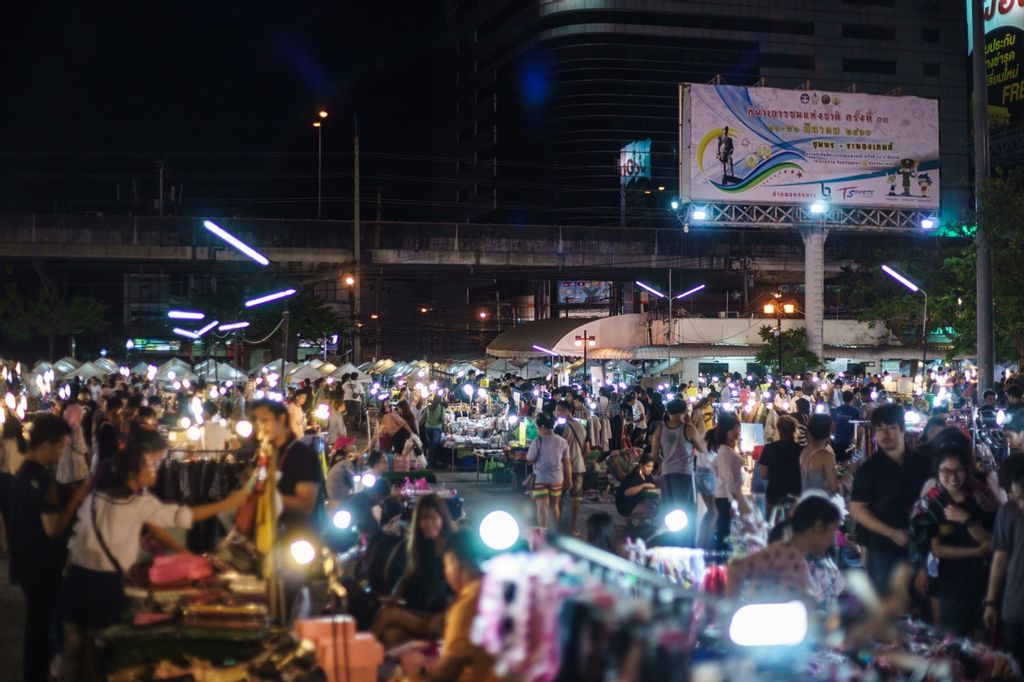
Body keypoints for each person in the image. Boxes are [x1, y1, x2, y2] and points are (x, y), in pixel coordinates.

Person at [58, 432, 248, 681]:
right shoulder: (137, 504)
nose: (157, 469)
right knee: (99, 652)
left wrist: (186, 554)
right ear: (137, 470)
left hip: (74, 579)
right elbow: (183, 517)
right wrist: (228, 503)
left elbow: (157, 528)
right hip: (104, 586)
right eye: (153, 464)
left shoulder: (99, 495)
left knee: (74, 651)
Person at [8, 414, 89, 682]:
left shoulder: (22, 476)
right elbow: (53, 528)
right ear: (46, 445)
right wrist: (76, 499)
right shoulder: (42, 483)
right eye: (60, 446)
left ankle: (34, 674)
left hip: (26, 563)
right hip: (43, 566)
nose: (61, 452)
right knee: (41, 630)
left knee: (37, 628)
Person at [910, 438, 996, 637]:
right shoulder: (931, 504)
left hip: (984, 581)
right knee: (952, 641)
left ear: (968, 470)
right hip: (949, 584)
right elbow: (936, 548)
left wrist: (966, 520)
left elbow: (993, 541)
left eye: (958, 470)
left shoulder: (983, 498)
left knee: (983, 644)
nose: (953, 477)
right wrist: (976, 550)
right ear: (937, 472)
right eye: (945, 471)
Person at [850, 403, 932, 596]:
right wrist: (892, 533)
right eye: (880, 430)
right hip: (883, 548)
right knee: (888, 605)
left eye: (890, 429)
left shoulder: (925, 463)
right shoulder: (869, 469)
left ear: (902, 429)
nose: (885, 435)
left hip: (922, 546)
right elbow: (858, 509)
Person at [413, 530, 501, 682]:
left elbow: (447, 673)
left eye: (446, 565)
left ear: (455, 562)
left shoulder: (469, 602)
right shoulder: (496, 590)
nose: (446, 573)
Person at [727, 495, 841, 606]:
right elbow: (736, 568)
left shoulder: (799, 560)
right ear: (818, 527)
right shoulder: (780, 553)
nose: (832, 541)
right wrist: (730, 611)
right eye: (832, 533)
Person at [373, 494, 455, 647]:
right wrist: (394, 597)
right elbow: (408, 575)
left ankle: (362, 654)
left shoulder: (452, 549)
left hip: (441, 618)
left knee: (388, 614)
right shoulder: (424, 547)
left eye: (433, 518)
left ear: (442, 519)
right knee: (392, 635)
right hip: (423, 614)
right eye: (424, 519)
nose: (428, 523)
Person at [650, 398, 706, 547]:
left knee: (669, 509)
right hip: (685, 475)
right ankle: (686, 545)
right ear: (685, 411)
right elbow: (703, 449)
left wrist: (665, 460)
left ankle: (670, 544)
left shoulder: (659, 429)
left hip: (667, 475)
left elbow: (654, 456)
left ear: (667, 412)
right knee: (687, 510)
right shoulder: (689, 428)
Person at [984, 463, 1024, 668]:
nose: (1021, 504)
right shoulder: (1008, 512)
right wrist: (990, 602)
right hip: (1015, 607)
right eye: (1017, 497)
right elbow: (999, 559)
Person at [526, 412, 571, 530]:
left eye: (537, 427)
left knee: (542, 507)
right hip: (557, 479)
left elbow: (530, 459)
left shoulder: (537, 441)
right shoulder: (562, 441)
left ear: (542, 427)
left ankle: (543, 532)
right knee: (554, 506)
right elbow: (567, 462)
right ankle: (554, 533)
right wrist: (569, 479)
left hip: (541, 478)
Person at [713, 414, 750, 554]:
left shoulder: (726, 450)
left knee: (725, 530)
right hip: (726, 497)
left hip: (725, 496)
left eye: (738, 428)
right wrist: (733, 501)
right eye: (735, 428)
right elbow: (728, 478)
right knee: (725, 532)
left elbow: (716, 468)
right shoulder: (725, 452)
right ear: (726, 431)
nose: (738, 431)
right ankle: (721, 562)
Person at [555, 401, 589, 536]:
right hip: (579, 467)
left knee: (559, 497)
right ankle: (572, 527)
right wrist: (578, 457)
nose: (557, 413)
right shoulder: (582, 427)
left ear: (567, 411)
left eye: (559, 410)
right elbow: (587, 450)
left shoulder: (560, 428)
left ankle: (557, 526)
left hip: (562, 467)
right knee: (576, 498)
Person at [759, 415, 802, 516]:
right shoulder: (801, 450)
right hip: (795, 492)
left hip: (774, 492)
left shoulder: (769, 448)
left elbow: (763, 474)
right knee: (792, 526)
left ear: (778, 429)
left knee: (772, 523)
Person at [800, 414, 839, 495]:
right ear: (828, 431)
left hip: (805, 502)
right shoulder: (826, 456)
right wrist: (849, 473)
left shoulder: (805, 451)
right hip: (821, 504)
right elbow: (833, 488)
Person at [614, 454, 657, 523]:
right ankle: (627, 518)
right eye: (648, 466)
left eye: (652, 467)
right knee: (651, 511)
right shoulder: (633, 477)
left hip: (635, 500)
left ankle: (640, 522)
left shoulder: (648, 476)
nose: (650, 469)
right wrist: (643, 485)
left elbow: (651, 488)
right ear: (641, 465)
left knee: (653, 507)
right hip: (624, 504)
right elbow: (627, 493)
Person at [832, 390, 860, 463]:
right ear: (852, 398)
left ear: (843, 398)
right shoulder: (856, 411)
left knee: (839, 462)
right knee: (849, 463)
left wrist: (834, 436)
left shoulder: (837, 410)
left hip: (838, 440)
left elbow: (833, 425)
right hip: (850, 441)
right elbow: (858, 427)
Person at [421, 394, 447, 469]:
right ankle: (433, 464)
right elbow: (443, 420)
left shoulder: (428, 407)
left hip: (427, 429)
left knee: (430, 447)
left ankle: (430, 463)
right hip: (436, 429)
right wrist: (444, 429)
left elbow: (423, 417)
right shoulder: (441, 408)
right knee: (434, 447)